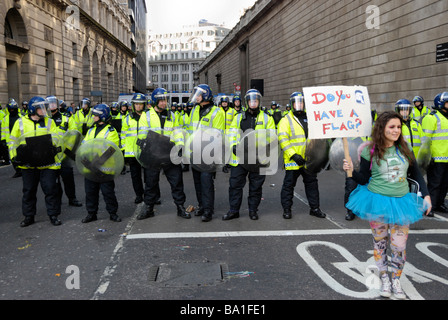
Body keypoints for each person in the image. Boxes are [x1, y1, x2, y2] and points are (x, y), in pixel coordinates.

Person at [343, 110, 432, 299]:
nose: (396, 130)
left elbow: (416, 174)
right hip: (377, 202)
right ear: (381, 128)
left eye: (399, 127)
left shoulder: (405, 149)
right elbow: (363, 178)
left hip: (402, 202)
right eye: (392, 127)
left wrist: (426, 195)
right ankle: (384, 278)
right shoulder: (370, 150)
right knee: (380, 244)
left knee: (399, 246)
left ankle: (396, 280)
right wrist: (350, 171)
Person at [9, 96, 63, 227]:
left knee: (50, 189)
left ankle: (53, 215)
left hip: (47, 162)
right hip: (28, 163)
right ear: (34, 109)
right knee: (28, 191)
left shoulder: (50, 122)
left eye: (45, 108)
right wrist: (14, 157)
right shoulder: (20, 122)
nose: (45, 111)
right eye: (42, 109)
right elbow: (12, 141)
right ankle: (29, 216)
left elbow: (56, 139)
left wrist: (54, 148)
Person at [137, 88, 189, 220]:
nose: (163, 103)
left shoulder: (172, 115)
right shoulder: (146, 115)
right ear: (155, 101)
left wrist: (180, 145)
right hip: (153, 154)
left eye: (165, 100)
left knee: (176, 181)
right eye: (160, 100)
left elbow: (177, 132)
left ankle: (180, 207)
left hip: (169, 153)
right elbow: (142, 134)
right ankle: (149, 208)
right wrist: (143, 144)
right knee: (150, 183)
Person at [223, 89, 275, 221]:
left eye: (256, 100)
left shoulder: (266, 117)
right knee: (235, 185)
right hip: (239, 158)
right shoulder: (238, 117)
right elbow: (231, 133)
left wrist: (258, 145)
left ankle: (253, 210)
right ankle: (234, 210)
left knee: (256, 186)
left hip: (258, 158)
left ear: (259, 102)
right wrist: (233, 145)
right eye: (251, 100)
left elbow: (271, 136)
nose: (253, 103)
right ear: (246, 102)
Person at [278, 92, 326, 219]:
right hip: (293, 160)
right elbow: (283, 139)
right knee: (288, 185)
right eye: (296, 102)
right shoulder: (286, 119)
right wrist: (293, 155)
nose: (299, 105)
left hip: (309, 159)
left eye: (301, 102)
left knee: (312, 184)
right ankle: (287, 209)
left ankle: (315, 208)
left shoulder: (311, 118)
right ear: (292, 104)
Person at [187, 84, 225, 222]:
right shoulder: (194, 110)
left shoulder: (217, 112)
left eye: (198, 94)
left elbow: (218, 134)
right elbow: (190, 131)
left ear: (206, 96)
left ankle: (208, 210)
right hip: (195, 152)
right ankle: (202, 206)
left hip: (208, 153)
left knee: (206, 182)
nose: (196, 97)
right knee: (197, 182)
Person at [81, 104, 121, 223]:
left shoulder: (111, 131)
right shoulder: (91, 130)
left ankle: (113, 213)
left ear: (102, 116)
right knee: (90, 192)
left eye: (96, 115)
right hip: (91, 167)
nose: (93, 117)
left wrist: (98, 163)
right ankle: (91, 213)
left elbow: (111, 150)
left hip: (105, 167)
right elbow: (84, 145)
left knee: (108, 192)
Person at [47, 95, 82, 207]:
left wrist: (69, 149)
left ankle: (72, 199)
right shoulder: (44, 120)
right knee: (53, 180)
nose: (52, 105)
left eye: (53, 103)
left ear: (57, 105)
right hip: (50, 154)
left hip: (64, 154)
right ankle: (57, 200)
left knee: (68, 178)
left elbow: (74, 134)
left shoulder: (66, 118)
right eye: (49, 103)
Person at [422, 92, 448, 216]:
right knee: (434, 184)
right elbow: (425, 139)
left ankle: (439, 204)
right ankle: (429, 207)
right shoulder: (431, 117)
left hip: (447, 158)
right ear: (441, 103)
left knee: (445, 184)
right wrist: (427, 156)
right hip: (436, 158)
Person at [121, 93, 147, 205]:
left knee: (149, 176)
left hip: (146, 151)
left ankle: (152, 195)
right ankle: (139, 195)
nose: (138, 106)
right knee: (135, 176)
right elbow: (123, 135)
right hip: (132, 153)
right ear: (133, 105)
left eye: (140, 104)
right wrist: (123, 150)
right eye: (136, 104)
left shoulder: (148, 117)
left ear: (144, 105)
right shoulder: (127, 119)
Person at [1, 99, 22, 177]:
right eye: (10, 109)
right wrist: (3, 140)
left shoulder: (22, 117)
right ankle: (18, 170)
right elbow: (3, 130)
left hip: (21, 140)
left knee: (23, 155)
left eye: (13, 109)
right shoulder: (5, 119)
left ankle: (25, 170)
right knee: (13, 157)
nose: (12, 111)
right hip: (10, 141)